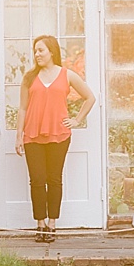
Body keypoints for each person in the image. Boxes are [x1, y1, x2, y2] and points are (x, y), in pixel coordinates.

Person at [15, 35, 96, 243]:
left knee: (54, 179)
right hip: (32, 136)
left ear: (51, 51)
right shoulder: (29, 78)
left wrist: (77, 120)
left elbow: (90, 97)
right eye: (35, 51)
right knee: (37, 181)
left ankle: (52, 224)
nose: (37, 54)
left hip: (59, 136)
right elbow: (22, 108)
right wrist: (19, 136)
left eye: (41, 50)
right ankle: (40, 224)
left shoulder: (67, 75)